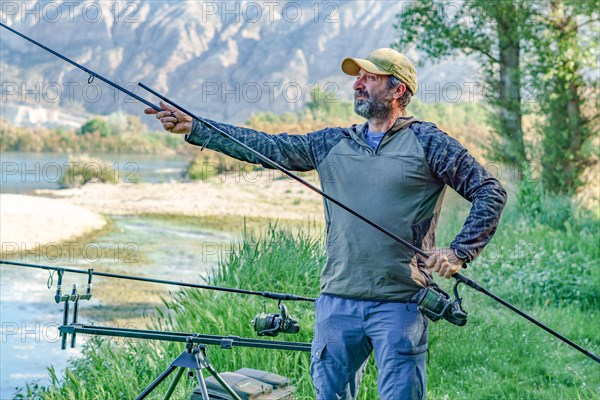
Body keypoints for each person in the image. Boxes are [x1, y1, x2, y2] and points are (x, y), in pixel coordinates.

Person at [145, 48, 507, 400]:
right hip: (337, 302)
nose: (357, 84)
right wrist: (198, 128)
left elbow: (489, 191)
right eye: (357, 78)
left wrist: (460, 251)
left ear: (398, 90)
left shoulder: (428, 142)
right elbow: (268, 147)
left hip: (401, 304)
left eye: (370, 77)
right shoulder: (333, 142)